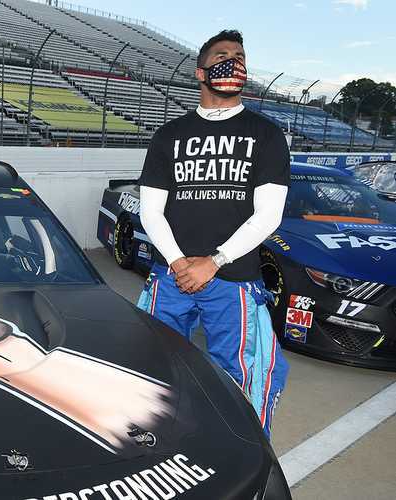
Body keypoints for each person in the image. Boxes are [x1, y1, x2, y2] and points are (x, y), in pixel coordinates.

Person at [136, 30, 290, 437]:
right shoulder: (169, 135)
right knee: (153, 368)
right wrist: (177, 261)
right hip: (171, 275)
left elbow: (269, 215)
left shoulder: (266, 134)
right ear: (200, 72)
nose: (234, 62)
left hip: (234, 279)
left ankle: (239, 454)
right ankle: (159, 445)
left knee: (242, 377)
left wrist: (214, 261)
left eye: (240, 55)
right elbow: (151, 210)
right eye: (223, 55)